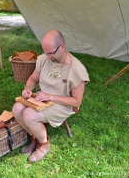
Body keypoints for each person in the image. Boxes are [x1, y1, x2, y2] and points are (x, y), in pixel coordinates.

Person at [12, 29, 89, 163]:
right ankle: (34, 137)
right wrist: (28, 88)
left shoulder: (76, 69)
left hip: (63, 104)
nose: (47, 57)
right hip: (43, 97)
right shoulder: (43, 59)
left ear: (62, 47)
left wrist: (51, 96)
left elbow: (76, 101)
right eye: (45, 52)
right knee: (17, 108)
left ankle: (44, 144)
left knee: (29, 115)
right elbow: (33, 78)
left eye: (50, 53)